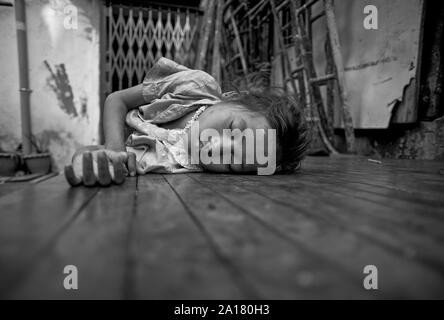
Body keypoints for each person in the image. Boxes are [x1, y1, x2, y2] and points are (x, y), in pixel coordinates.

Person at [64, 58, 309, 187]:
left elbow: (121, 167)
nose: (219, 149)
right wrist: (114, 146)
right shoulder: (195, 86)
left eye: (233, 164)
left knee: (85, 162)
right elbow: (117, 99)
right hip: (114, 140)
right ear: (231, 99)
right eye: (233, 129)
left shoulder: (179, 166)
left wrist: (106, 161)